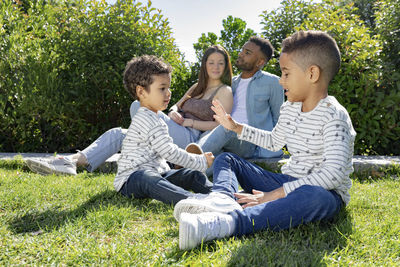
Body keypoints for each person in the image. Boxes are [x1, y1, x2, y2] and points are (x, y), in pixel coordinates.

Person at [174, 30, 356, 250]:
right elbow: (273, 141)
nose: (281, 81)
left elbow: (332, 176)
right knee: (228, 160)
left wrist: (274, 195)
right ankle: (221, 198)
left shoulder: (334, 116)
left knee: (316, 197)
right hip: (288, 181)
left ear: (312, 74)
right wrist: (235, 127)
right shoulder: (290, 108)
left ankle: (228, 222)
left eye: (286, 74)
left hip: (325, 193)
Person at [26, 45, 234, 175]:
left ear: (226, 66)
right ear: (204, 64)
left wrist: (190, 122)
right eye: (211, 62)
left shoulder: (225, 90)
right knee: (119, 133)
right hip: (171, 129)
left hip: (190, 138)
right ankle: (70, 162)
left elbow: (221, 125)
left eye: (220, 63)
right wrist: (173, 112)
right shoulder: (196, 88)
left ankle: (156, 161)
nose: (215, 67)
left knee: (137, 106)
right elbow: (175, 105)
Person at [115, 55, 216, 205]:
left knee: (192, 174)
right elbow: (170, 152)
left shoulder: (156, 118)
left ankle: (220, 195)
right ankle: (192, 201)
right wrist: (200, 161)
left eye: (168, 87)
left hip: (158, 173)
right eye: (162, 88)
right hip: (131, 180)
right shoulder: (145, 119)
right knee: (146, 177)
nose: (168, 93)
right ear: (141, 92)